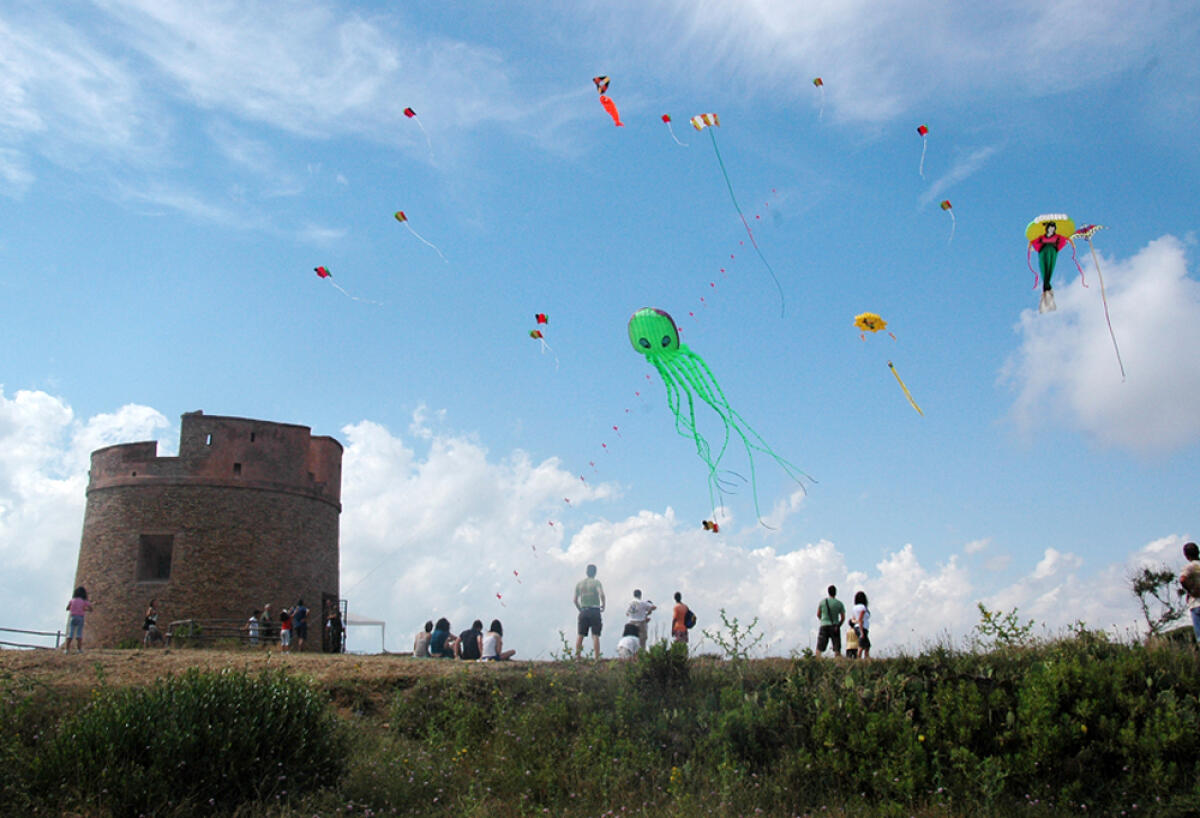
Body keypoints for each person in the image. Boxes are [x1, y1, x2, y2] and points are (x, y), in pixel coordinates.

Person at [574, 564, 606, 659]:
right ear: (595, 572)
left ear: (586, 572)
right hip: (595, 610)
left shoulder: (579, 584)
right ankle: (596, 658)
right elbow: (601, 594)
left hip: (584, 610)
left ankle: (578, 657)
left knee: (580, 635)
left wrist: (580, 609)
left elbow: (575, 600)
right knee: (595, 635)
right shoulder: (596, 583)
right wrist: (603, 604)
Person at [816, 585, 846, 657]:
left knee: (819, 647)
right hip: (835, 626)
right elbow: (843, 617)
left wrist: (823, 620)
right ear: (835, 593)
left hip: (824, 625)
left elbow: (818, 614)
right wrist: (839, 625)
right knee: (836, 647)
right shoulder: (839, 603)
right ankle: (837, 661)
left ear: (828, 592)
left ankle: (817, 660)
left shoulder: (822, 602)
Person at [1181, 542, 1200, 642]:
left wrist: (1190, 591)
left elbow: (1183, 579)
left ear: (1186, 555)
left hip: (1196, 603)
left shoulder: (1190, 567)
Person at [64, 586, 92, 653]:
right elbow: (90, 608)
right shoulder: (84, 601)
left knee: (70, 633)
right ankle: (79, 649)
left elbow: (67, 608)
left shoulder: (72, 600)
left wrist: (73, 609)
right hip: (80, 617)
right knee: (79, 634)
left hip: (73, 617)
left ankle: (67, 649)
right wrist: (84, 609)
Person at [851, 591, 871, 660]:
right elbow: (860, 619)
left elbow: (853, 620)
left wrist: (857, 622)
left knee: (866, 645)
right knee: (862, 646)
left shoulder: (854, 608)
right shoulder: (863, 608)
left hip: (856, 627)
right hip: (862, 628)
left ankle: (865, 658)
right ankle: (859, 659)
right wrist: (862, 632)